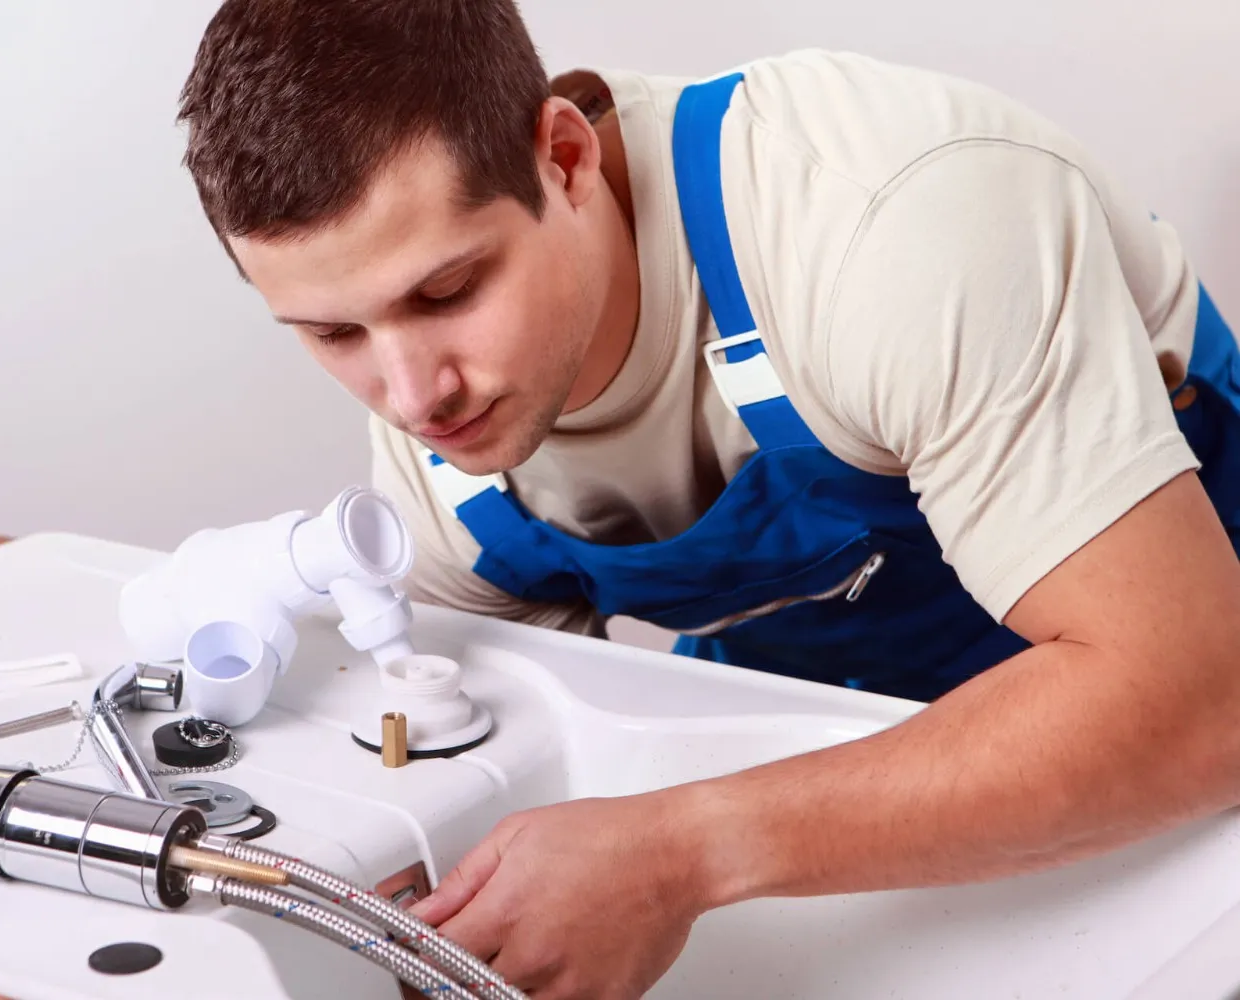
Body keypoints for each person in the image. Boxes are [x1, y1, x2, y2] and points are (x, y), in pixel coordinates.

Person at [176, 1, 1240, 996]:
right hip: (830, 724)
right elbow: (487, 763)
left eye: (447, 292)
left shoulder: (884, 227)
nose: (412, 396)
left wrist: (687, 846)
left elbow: (1198, 705)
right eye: (334, 333)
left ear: (565, 157)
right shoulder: (439, 475)